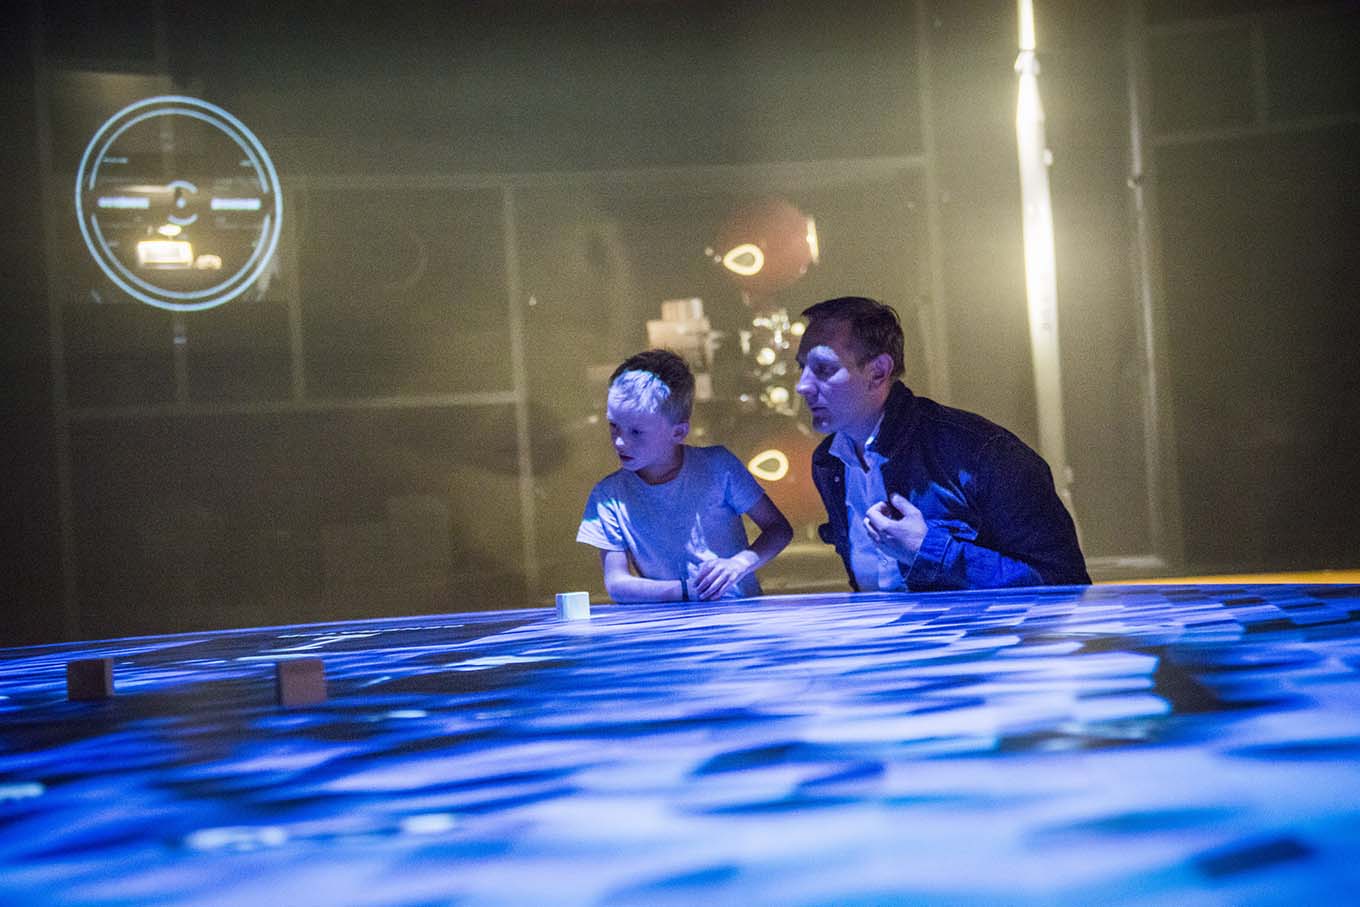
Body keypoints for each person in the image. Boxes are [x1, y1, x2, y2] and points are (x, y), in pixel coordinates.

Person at [795, 296, 1090, 592]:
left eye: (823, 369)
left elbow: (1065, 583)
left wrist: (928, 550)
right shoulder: (829, 463)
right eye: (802, 368)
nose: (803, 385)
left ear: (878, 372)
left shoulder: (981, 453)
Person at [578, 349, 794, 602]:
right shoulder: (608, 496)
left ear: (678, 432)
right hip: (668, 622)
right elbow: (616, 583)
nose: (619, 442)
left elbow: (778, 528)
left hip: (739, 615)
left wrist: (739, 564)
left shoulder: (718, 467)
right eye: (614, 426)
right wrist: (687, 590)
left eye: (636, 432)